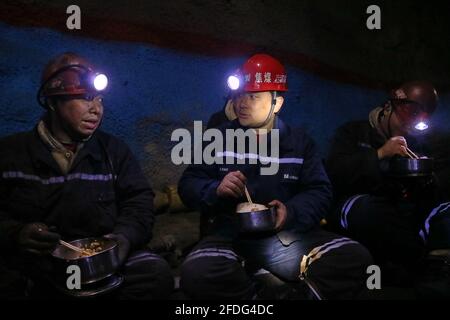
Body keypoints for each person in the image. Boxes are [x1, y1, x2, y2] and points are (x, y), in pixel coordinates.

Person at [178, 53, 373, 300]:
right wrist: (215, 189)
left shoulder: (299, 143)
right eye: (239, 95)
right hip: (230, 235)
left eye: (253, 96)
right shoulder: (216, 138)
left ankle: (277, 290)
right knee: (197, 273)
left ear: (276, 103)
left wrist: (289, 212)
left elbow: (320, 191)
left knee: (355, 258)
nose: (242, 103)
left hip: (286, 239)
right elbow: (188, 184)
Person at [0, 52, 173, 299]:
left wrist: (123, 237)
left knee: (153, 274)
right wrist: (15, 234)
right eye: (84, 98)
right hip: (37, 267)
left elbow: (139, 202)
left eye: (99, 100)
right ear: (52, 102)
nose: (96, 109)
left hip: (102, 263)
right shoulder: (10, 154)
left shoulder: (114, 152)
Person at [325, 81, 450, 294]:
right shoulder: (354, 133)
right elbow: (335, 173)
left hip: (402, 212)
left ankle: (430, 267)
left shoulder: (419, 144)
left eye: (416, 122)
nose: (409, 127)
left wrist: (427, 179)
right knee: (367, 211)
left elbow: (435, 185)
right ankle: (419, 263)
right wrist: (380, 154)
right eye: (405, 118)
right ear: (388, 108)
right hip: (360, 208)